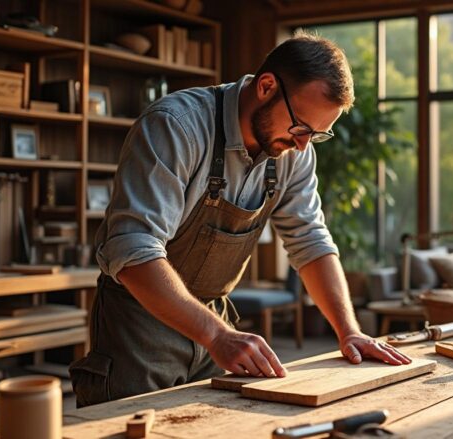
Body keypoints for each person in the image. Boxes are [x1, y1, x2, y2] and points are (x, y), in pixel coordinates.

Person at [70, 32, 411, 407]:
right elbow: (133, 250)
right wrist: (216, 336)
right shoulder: (176, 126)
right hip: (138, 328)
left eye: (316, 135)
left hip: (214, 320)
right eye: (300, 128)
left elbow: (310, 239)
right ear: (266, 86)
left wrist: (349, 331)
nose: (302, 145)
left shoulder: (294, 152)